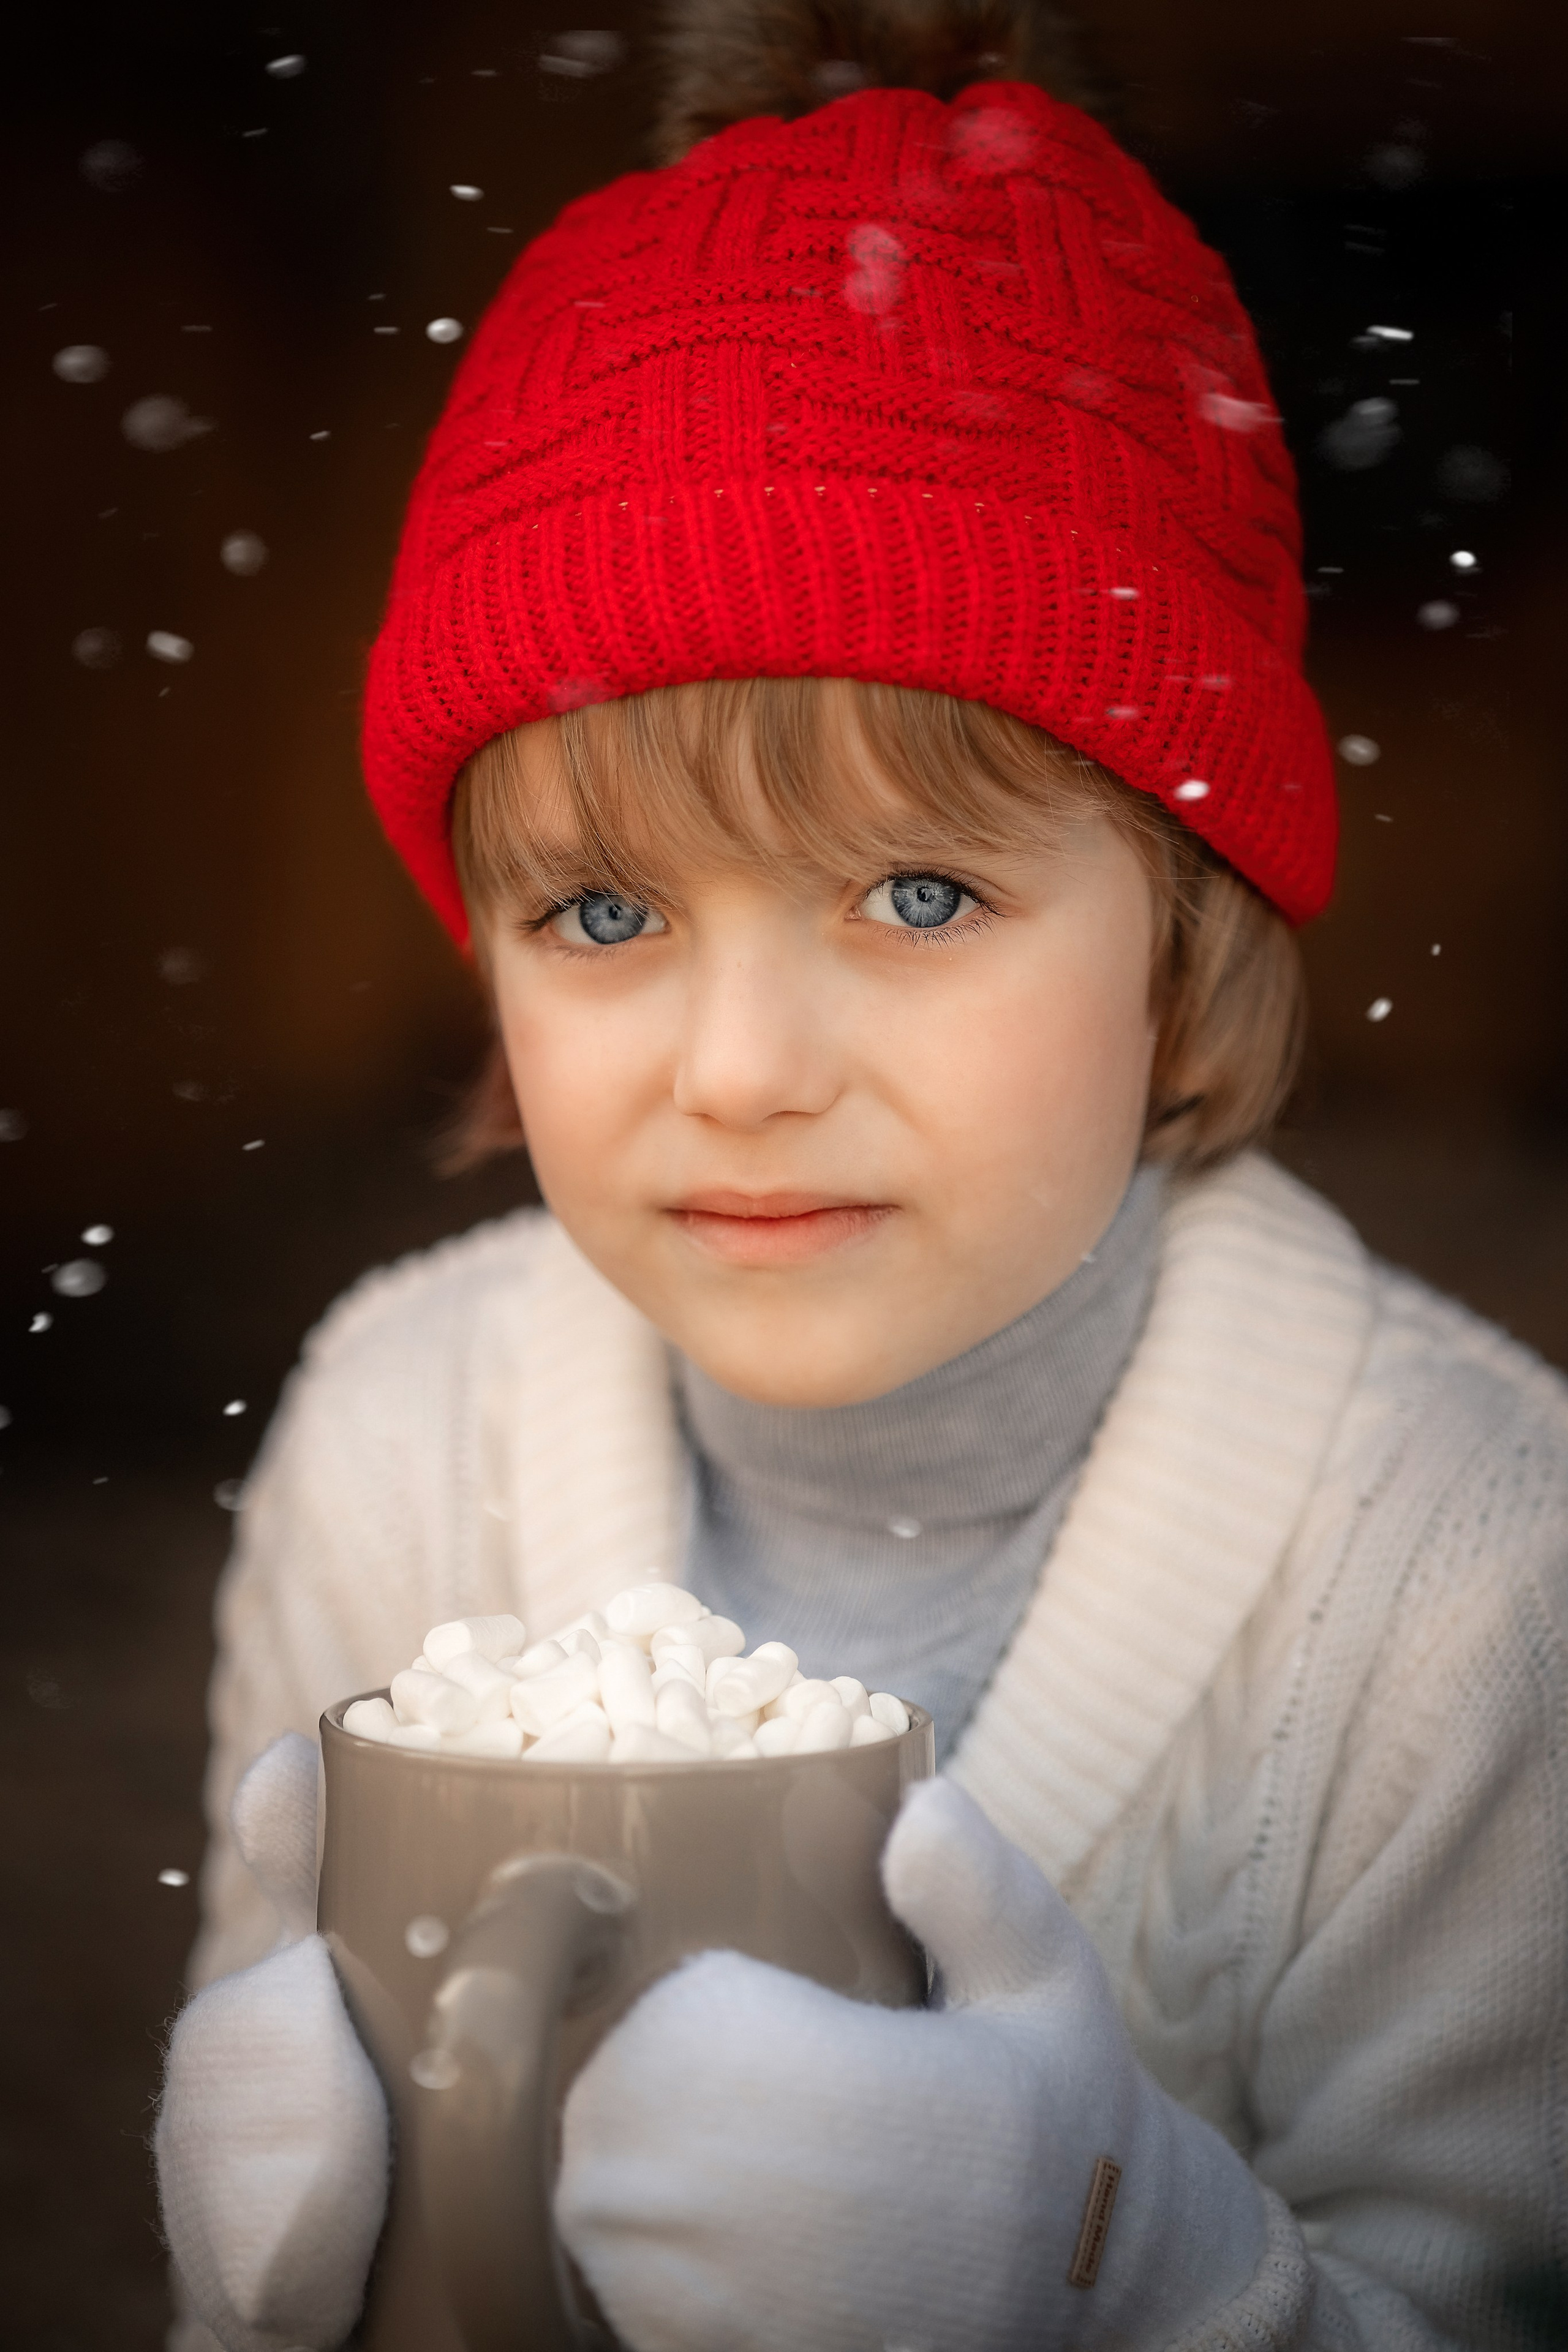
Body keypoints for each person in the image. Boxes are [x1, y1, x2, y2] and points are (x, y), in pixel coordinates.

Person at [154, 6, 1568, 2348]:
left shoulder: (1465, 1581)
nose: (740, 1072)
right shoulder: (397, 1440)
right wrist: (291, 2287)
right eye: (602, 913)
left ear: (1183, 933)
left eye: (919, 894)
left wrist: (1125, 2263)